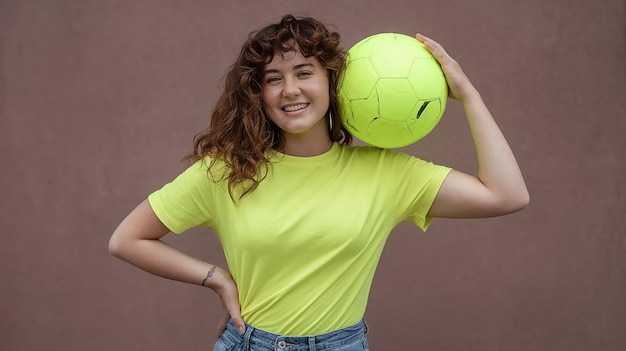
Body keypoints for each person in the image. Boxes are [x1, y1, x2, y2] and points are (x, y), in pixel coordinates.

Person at [109, 14, 529, 351]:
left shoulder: (387, 173)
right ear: (259, 94)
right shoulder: (226, 171)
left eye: (304, 72)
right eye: (273, 78)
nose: (289, 90)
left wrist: (467, 93)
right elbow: (126, 240)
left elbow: (506, 195)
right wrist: (217, 277)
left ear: (332, 81)